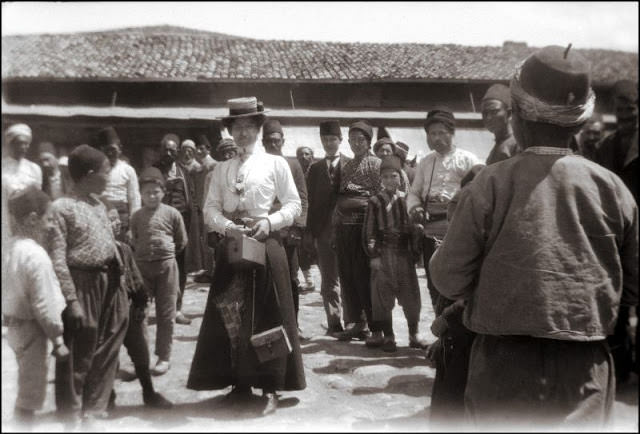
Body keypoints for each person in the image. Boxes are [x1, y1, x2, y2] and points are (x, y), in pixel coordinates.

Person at [429, 46, 638, 430]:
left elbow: (448, 278)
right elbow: (634, 286)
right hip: (586, 369)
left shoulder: (489, 184)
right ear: (579, 122)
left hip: (503, 368)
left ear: (520, 116)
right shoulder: (614, 189)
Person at [188, 97, 305, 416]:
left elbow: (294, 205)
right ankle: (239, 383)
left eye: (248, 127)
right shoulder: (221, 169)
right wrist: (227, 227)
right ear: (230, 131)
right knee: (232, 312)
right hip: (233, 246)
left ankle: (270, 387)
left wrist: (269, 222)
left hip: (267, 245)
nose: (242, 134)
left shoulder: (276, 164)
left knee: (270, 313)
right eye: (236, 127)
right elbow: (209, 208)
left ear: (258, 129)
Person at [48, 145, 130, 424]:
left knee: (108, 345)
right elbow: (57, 258)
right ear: (91, 174)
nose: (110, 176)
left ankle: (94, 409)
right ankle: (71, 415)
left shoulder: (99, 204)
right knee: (79, 352)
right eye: (107, 171)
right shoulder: (61, 208)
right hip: (82, 283)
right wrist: (71, 299)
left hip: (110, 280)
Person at [2, 187, 69, 427]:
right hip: (33, 332)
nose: (51, 225)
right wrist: (58, 340)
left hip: (13, 329)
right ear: (32, 219)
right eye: (48, 218)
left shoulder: (10, 249)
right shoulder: (36, 255)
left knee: (20, 388)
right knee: (29, 396)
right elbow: (44, 304)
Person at [406, 108, 483, 312]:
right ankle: (441, 334)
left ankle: (457, 333)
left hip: (457, 227)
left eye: (442, 133)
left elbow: (480, 193)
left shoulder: (468, 159)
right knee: (434, 280)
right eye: (432, 134)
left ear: (452, 133)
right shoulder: (425, 162)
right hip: (430, 228)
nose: (437, 138)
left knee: (456, 279)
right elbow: (413, 192)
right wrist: (415, 208)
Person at [103, 203, 173, 410]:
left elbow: (135, 279)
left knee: (140, 352)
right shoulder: (98, 253)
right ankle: (108, 397)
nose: (116, 223)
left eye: (117, 219)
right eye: (110, 219)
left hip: (129, 309)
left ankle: (149, 392)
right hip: (107, 313)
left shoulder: (124, 249)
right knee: (108, 356)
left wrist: (141, 302)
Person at [594, 79, 638, 384]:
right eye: (620, 110)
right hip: (616, 233)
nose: (625, 116)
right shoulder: (605, 146)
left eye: (631, 109)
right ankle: (620, 365)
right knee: (617, 297)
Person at [364, 155, 428, 352]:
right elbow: (369, 231)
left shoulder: (407, 199)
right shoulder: (375, 202)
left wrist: (416, 232)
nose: (390, 181)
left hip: (403, 255)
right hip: (384, 254)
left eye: (394, 176)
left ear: (400, 177)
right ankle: (389, 336)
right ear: (380, 180)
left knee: (410, 296)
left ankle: (413, 334)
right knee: (383, 297)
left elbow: (415, 228)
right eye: (385, 177)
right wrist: (374, 255)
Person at [129, 167, 187, 376]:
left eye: (156, 192)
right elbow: (134, 241)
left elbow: (181, 242)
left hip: (167, 268)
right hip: (142, 268)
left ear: (163, 192)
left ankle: (164, 357)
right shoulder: (136, 217)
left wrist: (166, 255)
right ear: (141, 195)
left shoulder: (172, 214)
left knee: (166, 314)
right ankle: (141, 358)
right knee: (139, 313)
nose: (151, 196)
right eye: (147, 193)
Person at [332, 120, 381, 344]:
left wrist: (361, 200)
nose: (356, 144)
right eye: (352, 140)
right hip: (345, 229)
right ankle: (356, 323)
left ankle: (375, 326)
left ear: (369, 142)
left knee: (364, 278)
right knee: (348, 276)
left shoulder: (376, 164)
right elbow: (341, 195)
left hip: (365, 227)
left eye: (360, 140)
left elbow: (383, 195)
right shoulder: (347, 166)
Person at [262, 119, 309, 331]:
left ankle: (293, 324)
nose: (273, 145)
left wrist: (298, 227)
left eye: (277, 141)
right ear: (263, 143)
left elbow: (302, 198)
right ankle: (269, 324)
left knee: (290, 279)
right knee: (264, 279)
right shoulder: (255, 164)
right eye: (269, 141)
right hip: (263, 231)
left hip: (288, 231)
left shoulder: (293, 165)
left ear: (283, 141)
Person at [306, 120, 350, 336]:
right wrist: (311, 232)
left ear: (340, 140)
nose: (329, 143)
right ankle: (334, 322)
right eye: (325, 140)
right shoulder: (314, 169)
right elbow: (310, 201)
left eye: (333, 139)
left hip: (347, 230)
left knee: (349, 275)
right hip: (323, 231)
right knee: (329, 278)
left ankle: (353, 322)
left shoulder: (351, 165)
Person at [154, 133, 192, 325]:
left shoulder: (183, 171)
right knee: (161, 267)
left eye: (172, 150)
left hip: (181, 227)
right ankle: (163, 310)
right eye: (165, 149)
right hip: (160, 226)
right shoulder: (154, 171)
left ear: (177, 152)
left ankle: (177, 309)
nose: (168, 153)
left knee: (181, 268)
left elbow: (189, 199)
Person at [98, 126, 141, 244]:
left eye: (113, 149)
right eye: (107, 150)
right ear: (101, 150)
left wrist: (132, 228)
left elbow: (134, 200)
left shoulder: (128, 170)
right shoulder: (97, 170)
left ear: (120, 149)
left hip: (123, 219)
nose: (110, 153)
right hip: (102, 216)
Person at [481, 84, 521, 165]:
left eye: (494, 112)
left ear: (509, 114)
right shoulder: (496, 148)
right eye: (485, 113)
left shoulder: (518, 144)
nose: (488, 117)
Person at [296, 145, 317, 292]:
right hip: (300, 215)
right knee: (300, 249)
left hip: (315, 216)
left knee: (317, 250)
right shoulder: (295, 173)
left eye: (307, 154)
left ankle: (330, 282)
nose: (304, 157)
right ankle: (309, 281)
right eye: (301, 154)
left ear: (312, 156)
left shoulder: (317, 172)